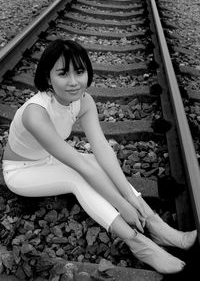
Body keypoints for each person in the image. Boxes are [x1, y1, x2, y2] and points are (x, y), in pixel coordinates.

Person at [2, 39, 197, 274]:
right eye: (63, 73)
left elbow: (102, 149)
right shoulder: (36, 112)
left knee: (95, 160)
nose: (74, 82)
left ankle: (154, 223)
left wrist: (131, 199)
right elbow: (78, 165)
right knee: (77, 176)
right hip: (22, 171)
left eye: (80, 71)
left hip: (49, 160)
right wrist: (122, 206)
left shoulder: (84, 101)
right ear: (47, 77)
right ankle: (137, 242)